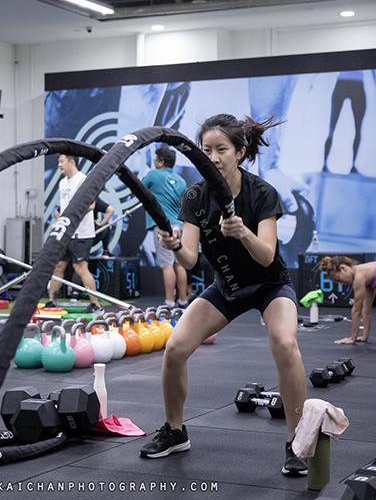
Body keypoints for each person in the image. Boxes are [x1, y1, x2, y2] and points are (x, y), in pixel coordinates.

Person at [139, 114, 308, 477]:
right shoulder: (195, 197)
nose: (212, 157)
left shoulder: (262, 193)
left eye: (221, 150)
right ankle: (175, 431)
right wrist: (173, 243)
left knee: (284, 342)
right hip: (227, 287)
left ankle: (298, 443)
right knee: (175, 348)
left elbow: (266, 255)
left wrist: (242, 232)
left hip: (270, 286)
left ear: (240, 152)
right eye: (206, 150)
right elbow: (190, 258)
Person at [46, 154, 103, 314]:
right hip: (66, 233)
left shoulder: (82, 180)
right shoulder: (62, 183)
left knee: (80, 267)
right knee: (57, 267)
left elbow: (91, 205)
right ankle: (51, 302)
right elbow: (65, 208)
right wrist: (60, 221)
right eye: (58, 162)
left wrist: (71, 220)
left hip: (82, 234)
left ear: (72, 162)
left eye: (62, 161)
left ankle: (96, 305)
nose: (59, 165)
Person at [141, 146, 189, 309]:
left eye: (155, 160)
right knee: (179, 264)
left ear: (161, 162)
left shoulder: (153, 175)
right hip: (179, 225)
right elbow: (183, 205)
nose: (154, 163)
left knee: (167, 264)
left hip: (163, 226)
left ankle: (169, 301)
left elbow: (140, 190)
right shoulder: (181, 180)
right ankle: (183, 300)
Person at [322, 70, 376, 174]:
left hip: (351, 83)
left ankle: (352, 165)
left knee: (355, 128)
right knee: (333, 127)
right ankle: (325, 163)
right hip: (347, 83)